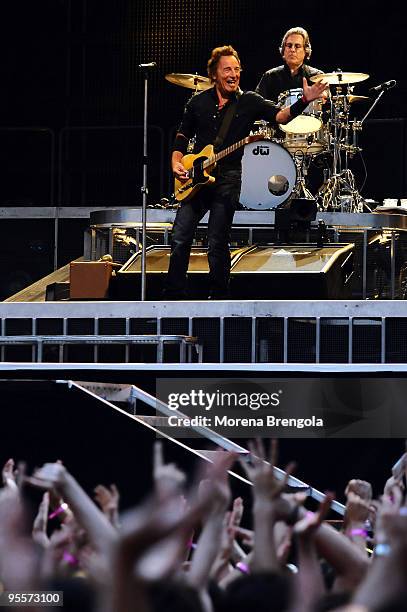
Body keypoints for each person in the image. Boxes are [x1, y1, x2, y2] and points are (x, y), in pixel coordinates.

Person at [164, 45, 326, 300]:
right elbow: (181, 138)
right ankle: (173, 298)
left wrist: (304, 100)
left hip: (228, 177)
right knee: (180, 236)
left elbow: (281, 116)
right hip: (196, 178)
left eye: (237, 69)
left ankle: (218, 299)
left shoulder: (250, 101)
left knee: (217, 241)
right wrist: (176, 164)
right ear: (214, 74)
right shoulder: (198, 102)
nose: (233, 74)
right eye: (227, 69)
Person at [256, 26, 323, 102]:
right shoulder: (270, 76)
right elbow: (257, 105)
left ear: (305, 51)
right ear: (283, 50)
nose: (292, 50)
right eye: (289, 46)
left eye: (297, 46)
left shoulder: (317, 76)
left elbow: (327, 108)